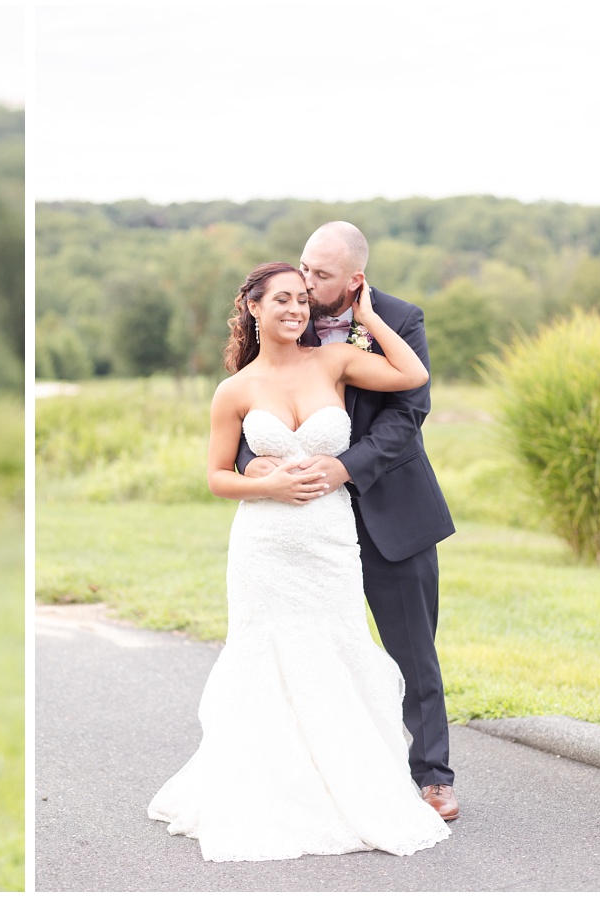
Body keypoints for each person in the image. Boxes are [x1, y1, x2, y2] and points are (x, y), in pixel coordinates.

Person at [147, 261, 451, 861]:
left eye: (302, 299)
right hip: (265, 546)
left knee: (336, 652)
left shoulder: (334, 361)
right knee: (265, 658)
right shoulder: (233, 390)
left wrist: (366, 317)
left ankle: (362, 784)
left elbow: (413, 375)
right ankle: (269, 789)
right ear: (253, 308)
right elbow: (215, 476)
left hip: (328, 540)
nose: (295, 308)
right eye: (281, 299)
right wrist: (265, 485)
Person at [244, 222, 459, 820]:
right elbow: (249, 399)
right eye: (304, 268)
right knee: (313, 649)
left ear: (355, 279)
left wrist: (343, 467)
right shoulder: (288, 311)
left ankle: (433, 775)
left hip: (392, 508)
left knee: (413, 651)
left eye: (320, 275)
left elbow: (408, 412)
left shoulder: (400, 318)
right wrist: (252, 463)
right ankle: (331, 772)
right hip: (306, 523)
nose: (305, 285)